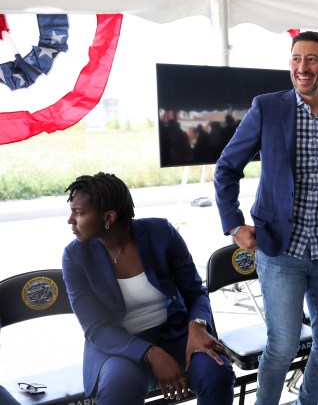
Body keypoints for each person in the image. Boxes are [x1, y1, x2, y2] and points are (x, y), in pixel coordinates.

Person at [214, 31, 318, 405]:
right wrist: (235, 225)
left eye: (312, 59)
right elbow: (227, 167)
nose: (303, 67)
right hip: (282, 250)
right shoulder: (268, 107)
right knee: (282, 347)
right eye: (296, 59)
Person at [61, 172, 235, 405]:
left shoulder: (161, 233)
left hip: (175, 333)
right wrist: (151, 353)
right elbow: (96, 329)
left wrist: (197, 325)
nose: (70, 220)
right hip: (119, 347)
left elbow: (195, 292)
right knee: (118, 387)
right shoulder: (75, 256)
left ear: (109, 217)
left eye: (79, 212)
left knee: (218, 373)